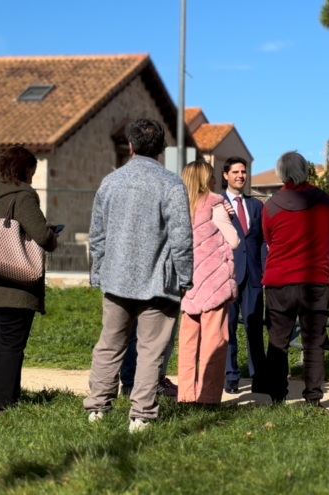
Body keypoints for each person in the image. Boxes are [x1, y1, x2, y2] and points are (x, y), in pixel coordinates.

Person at [84, 118, 194, 432]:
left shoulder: (110, 181)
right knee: (150, 351)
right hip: (158, 284)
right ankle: (141, 415)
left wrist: (98, 274)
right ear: (162, 148)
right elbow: (181, 239)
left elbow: (98, 236)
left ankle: (97, 408)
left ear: (130, 146)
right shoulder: (171, 184)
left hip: (116, 279)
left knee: (109, 345)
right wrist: (185, 277)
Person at [0, 146, 58, 411]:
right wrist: (53, 235)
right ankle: (3, 404)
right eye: (31, 172)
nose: (32, 178)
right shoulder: (23, 197)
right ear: (24, 170)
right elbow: (42, 237)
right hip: (15, 282)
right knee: (11, 344)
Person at [262, 151, 329, 406]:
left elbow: (270, 241)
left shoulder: (271, 206)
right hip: (315, 281)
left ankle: (276, 397)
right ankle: (313, 400)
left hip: (279, 282)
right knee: (313, 344)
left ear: (281, 174)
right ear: (306, 171)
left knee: (278, 342)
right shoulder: (328, 203)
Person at [177, 160, 240, 404]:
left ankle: (185, 396)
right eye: (212, 176)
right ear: (205, 179)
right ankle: (208, 398)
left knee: (188, 343)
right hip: (213, 284)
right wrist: (228, 220)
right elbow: (233, 240)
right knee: (214, 342)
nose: (215, 180)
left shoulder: (181, 205)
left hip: (187, 284)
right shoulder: (215, 203)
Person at [221, 156, 268, 394]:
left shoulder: (257, 206)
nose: (241, 176)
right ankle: (231, 375)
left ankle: (258, 375)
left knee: (254, 327)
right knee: (228, 327)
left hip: (253, 277)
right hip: (227, 276)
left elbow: (260, 242)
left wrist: (264, 273)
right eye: (236, 172)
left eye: (244, 172)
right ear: (225, 175)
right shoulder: (217, 204)